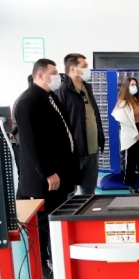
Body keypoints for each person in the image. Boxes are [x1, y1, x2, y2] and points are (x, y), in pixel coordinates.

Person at [14, 58, 80, 279]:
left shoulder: (48, 97)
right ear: (40, 75)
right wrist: (48, 172)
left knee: (55, 217)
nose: (58, 76)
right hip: (44, 178)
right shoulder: (27, 101)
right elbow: (31, 144)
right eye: (54, 72)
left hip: (58, 175)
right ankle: (40, 265)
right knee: (42, 223)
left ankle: (53, 258)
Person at [56, 53, 104, 195]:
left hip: (92, 149)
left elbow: (93, 115)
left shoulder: (86, 88)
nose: (88, 69)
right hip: (75, 152)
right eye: (84, 66)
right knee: (69, 191)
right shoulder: (62, 90)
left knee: (89, 190)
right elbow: (59, 123)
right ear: (72, 68)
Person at [111, 78, 139, 194]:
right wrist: (136, 135)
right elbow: (124, 122)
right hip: (130, 134)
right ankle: (131, 185)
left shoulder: (138, 101)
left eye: (135, 84)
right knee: (131, 161)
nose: (134, 87)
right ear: (126, 87)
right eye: (132, 85)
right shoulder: (122, 103)